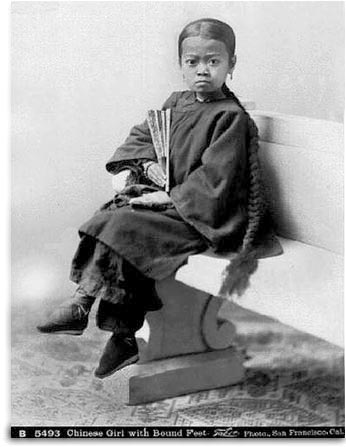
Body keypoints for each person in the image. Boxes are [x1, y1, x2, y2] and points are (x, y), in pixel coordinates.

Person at [37, 18, 282, 379]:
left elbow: (218, 181)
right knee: (112, 216)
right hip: (174, 204)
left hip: (210, 216)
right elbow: (144, 136)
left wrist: (167, 199)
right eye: (192, 62)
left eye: (213, 61)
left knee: (126, 225)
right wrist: (148, 166)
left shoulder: (231, 118)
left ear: (232, 64)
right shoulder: (176, 103)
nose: (202, 70)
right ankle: (99, 319)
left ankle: (106, 323)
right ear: (180, 65)